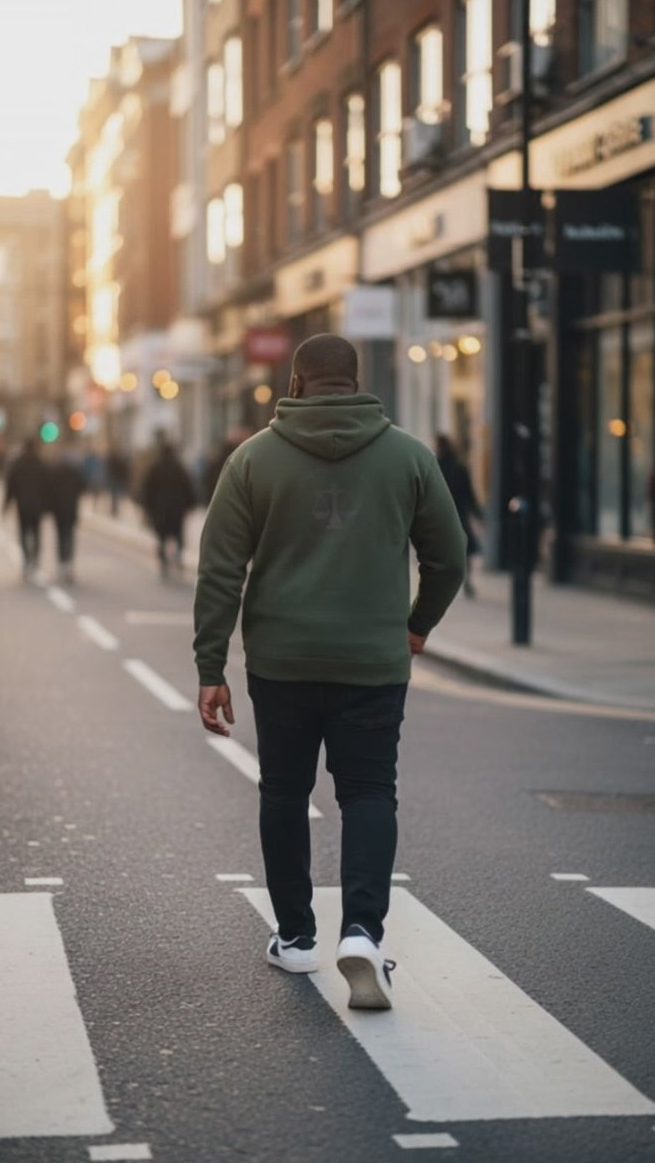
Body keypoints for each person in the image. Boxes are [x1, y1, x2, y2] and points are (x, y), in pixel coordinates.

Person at [194, 334, 465, 1010]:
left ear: (295, 382)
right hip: (374, 662)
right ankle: (365, 935)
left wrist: (210, 663)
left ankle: (295, 937)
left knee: (284, 792)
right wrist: (417, 624)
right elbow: (450, 557)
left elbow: (220, 569)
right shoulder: (407, 456)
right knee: (370, 793)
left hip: (282, 662)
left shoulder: (253, 459)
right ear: (356, 381)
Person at [435, 434, 483, 598]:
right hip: (458, 514)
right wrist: (478, 513)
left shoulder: (436, 467)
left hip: (440, 515)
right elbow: (469, 495)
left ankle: (443, 582)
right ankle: (466, 581)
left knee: (441, 550)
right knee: (463, 549)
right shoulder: (459, 468)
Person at [139, 441, 197, 577]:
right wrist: (190, 504)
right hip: (177, 509)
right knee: (178, 535)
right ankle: (178, 557)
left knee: (161, 537)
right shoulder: (179, 468)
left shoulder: (155, 468)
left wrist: (147, 507)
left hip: (160, 510)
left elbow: (147, 489)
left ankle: (163, 560)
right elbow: (188, 487)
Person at [4, 437, 49, 578]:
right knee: (36, 532)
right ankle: (34, 559)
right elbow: (48, 486)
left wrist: (6, 504)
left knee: (24, 533)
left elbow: (11, 485)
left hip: (22, 504)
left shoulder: (18, 464)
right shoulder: (40, 463)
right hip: (37, 505)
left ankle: (26, 559)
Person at [46, 450, 86, 584]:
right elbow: (82, 487)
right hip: (71, 509)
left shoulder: (55, 472)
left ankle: (62, 563)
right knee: (69, 536)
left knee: (60, 537)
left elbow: (49, 490)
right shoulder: (75, 473)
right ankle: (68, 562)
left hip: (58, 510)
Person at [104, 446, 130, 517]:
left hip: (115, 479)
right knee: (115, 494)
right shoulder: (120, 461)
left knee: (114, 494)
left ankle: (114, 507)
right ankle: (115, 507)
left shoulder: (112, 461)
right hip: (117, 479)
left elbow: (108, 470)